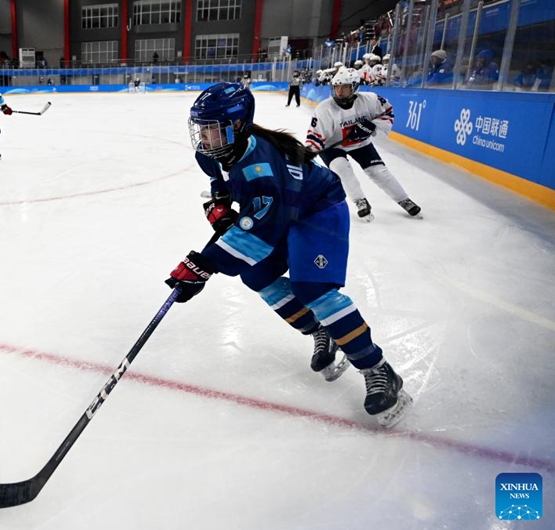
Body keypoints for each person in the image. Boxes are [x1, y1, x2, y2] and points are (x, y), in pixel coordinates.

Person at [166, 82, 412, 428]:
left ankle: (378, 369)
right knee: (256, 275)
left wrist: (204, 265)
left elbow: (258, 235)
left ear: (237, 125)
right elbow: (221, 183)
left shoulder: (262, 169)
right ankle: (320, 331)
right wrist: (219, 206)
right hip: (284, 209)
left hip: (317, 210)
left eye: (212, 129)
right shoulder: (216, 151)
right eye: (201, 129)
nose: (204, 138)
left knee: (314, 289)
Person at [306, 68, 421, 221]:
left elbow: (387, 112)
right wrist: (308, 152)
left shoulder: (370, 100)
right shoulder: (324, 109)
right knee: (341, 168)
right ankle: (360, 200)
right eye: (337, 87)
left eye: (344, 87)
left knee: (379, 171)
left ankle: (403, 199)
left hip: (360, 143)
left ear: (354, 87)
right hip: (333, 146)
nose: (339, 92)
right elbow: (316, 135)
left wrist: (372, 126)